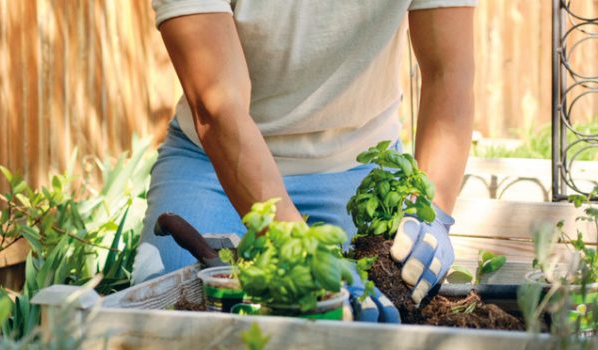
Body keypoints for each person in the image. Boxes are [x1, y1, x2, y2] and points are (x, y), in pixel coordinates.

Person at [134, 0, 476, 323]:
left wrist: (432, 212)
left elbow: (449, 72)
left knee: (380, 309)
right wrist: (299, 246)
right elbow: (217, 107)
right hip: (212, 167)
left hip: (357, 170)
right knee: (169, 314)